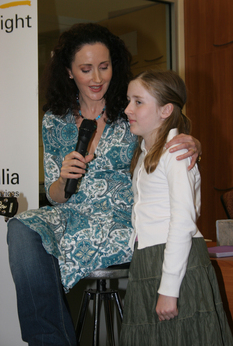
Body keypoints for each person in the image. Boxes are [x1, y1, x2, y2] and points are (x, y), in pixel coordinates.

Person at [7, 23, 201, 346]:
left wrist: (190, 141)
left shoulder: (131, 111)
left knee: (53, 245)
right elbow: (56, 198)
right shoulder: (54, 121)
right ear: (69, 72)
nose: (97, 78)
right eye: (86, 69)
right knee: (21, 229)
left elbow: (168, 131)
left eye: (104, 67)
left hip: (120, 218)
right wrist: (61, 179)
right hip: (71, 214)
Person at [120, 69, 233, 346]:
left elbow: (182, 222)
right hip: (150, 259)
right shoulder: (147, 152)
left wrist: (169, 288)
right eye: (128, 100)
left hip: (174, 263)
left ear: (165, 109)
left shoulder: (175, 152)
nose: (127, 109)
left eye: (138, 101)